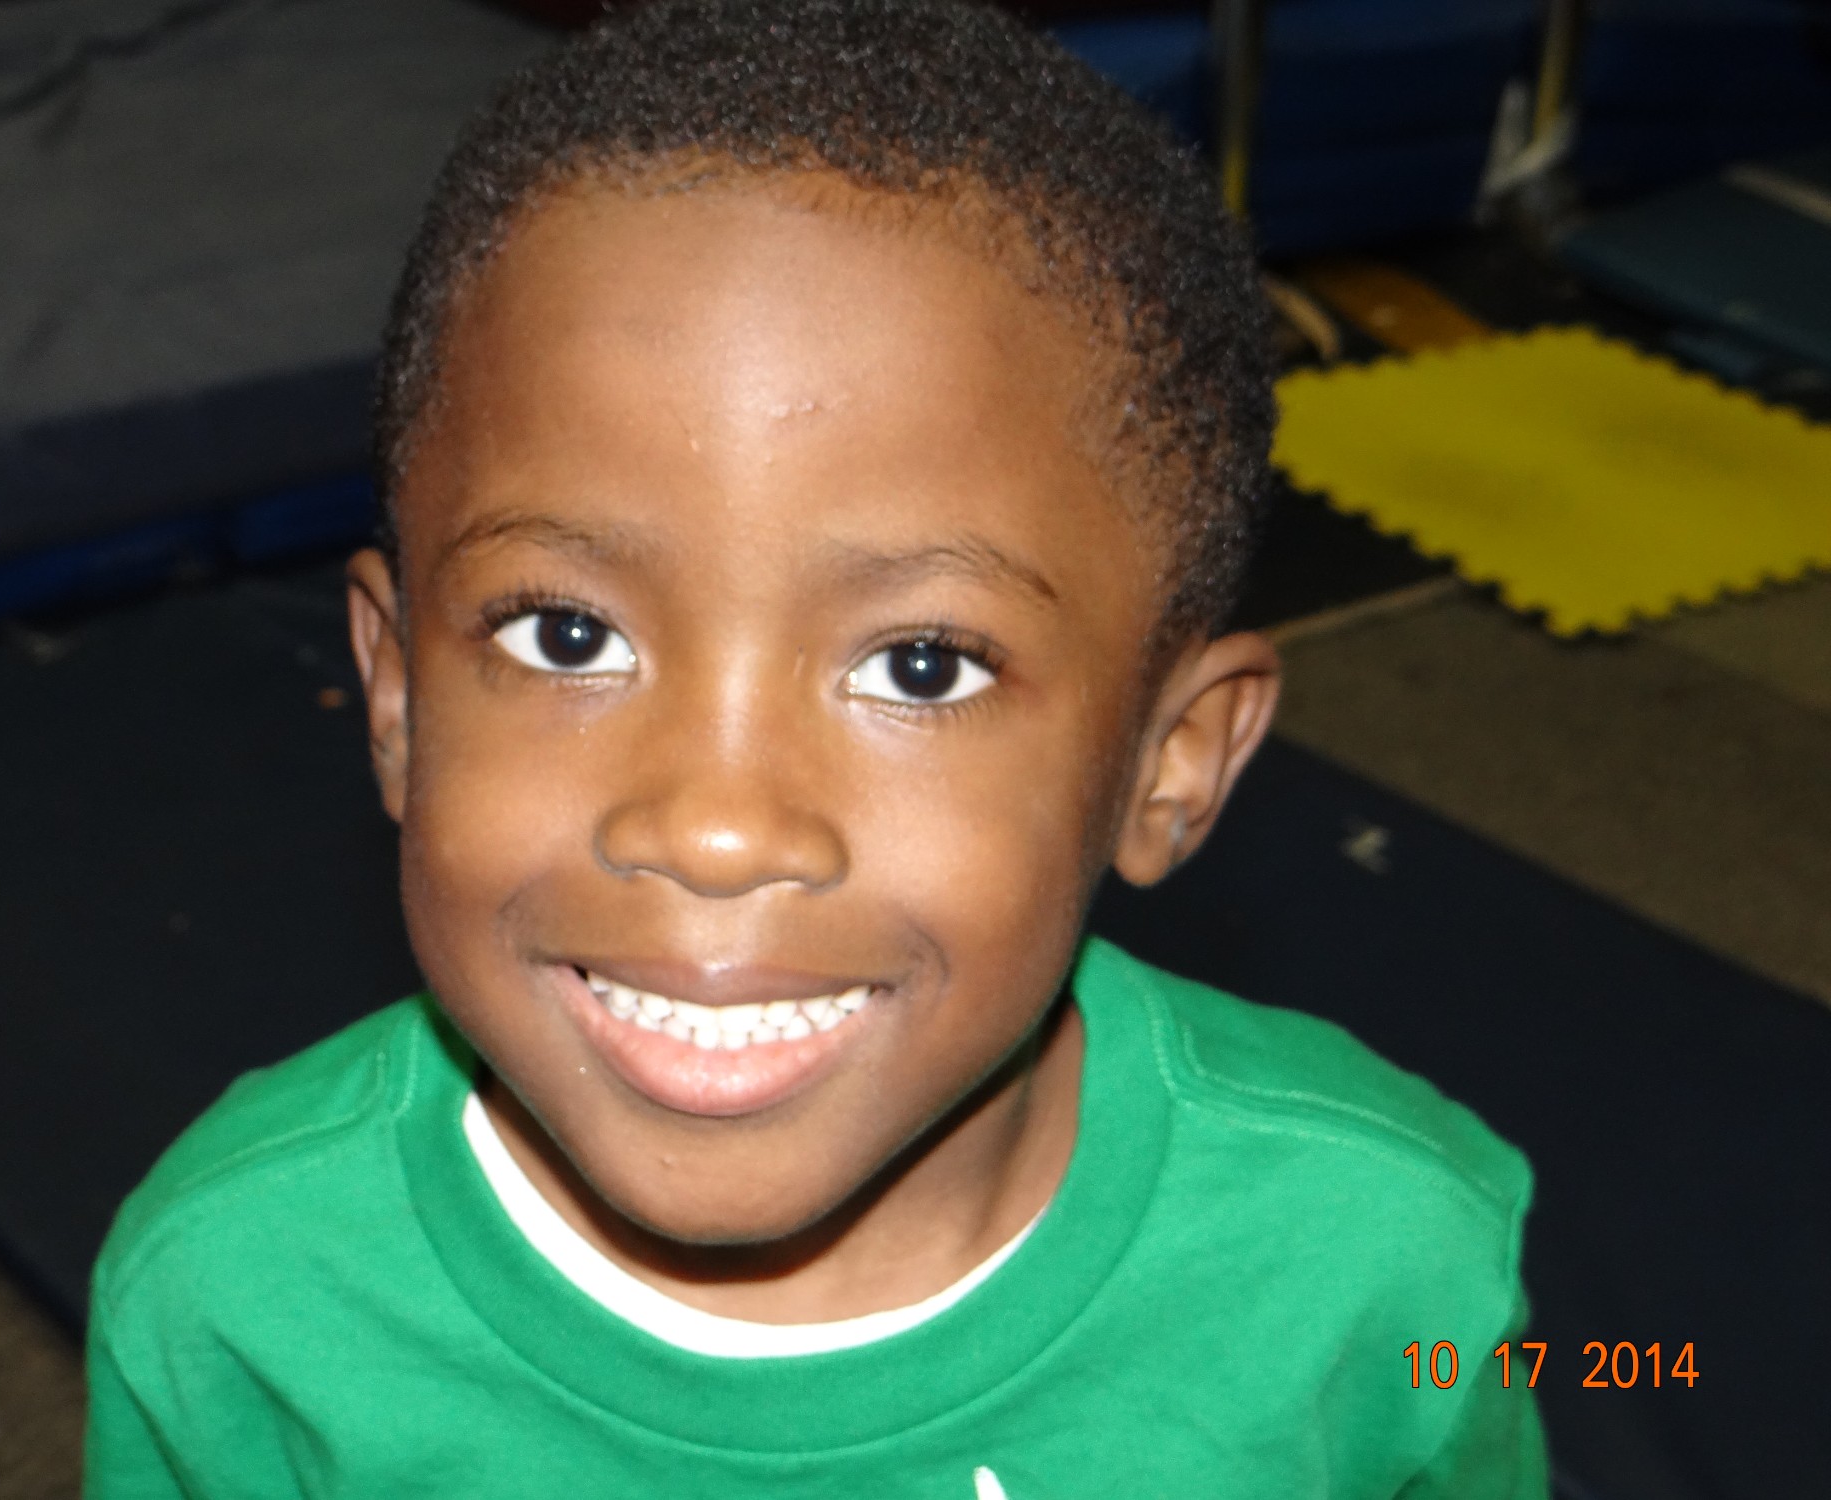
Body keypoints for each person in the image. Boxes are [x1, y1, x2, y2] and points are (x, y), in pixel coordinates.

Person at [84, 2, 1546, 1494]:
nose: (715, 826)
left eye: (922, 666)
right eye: (567, 638)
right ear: (397, 701)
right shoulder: (234, 1297)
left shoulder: (1391, 1273)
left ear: (1170, 765)